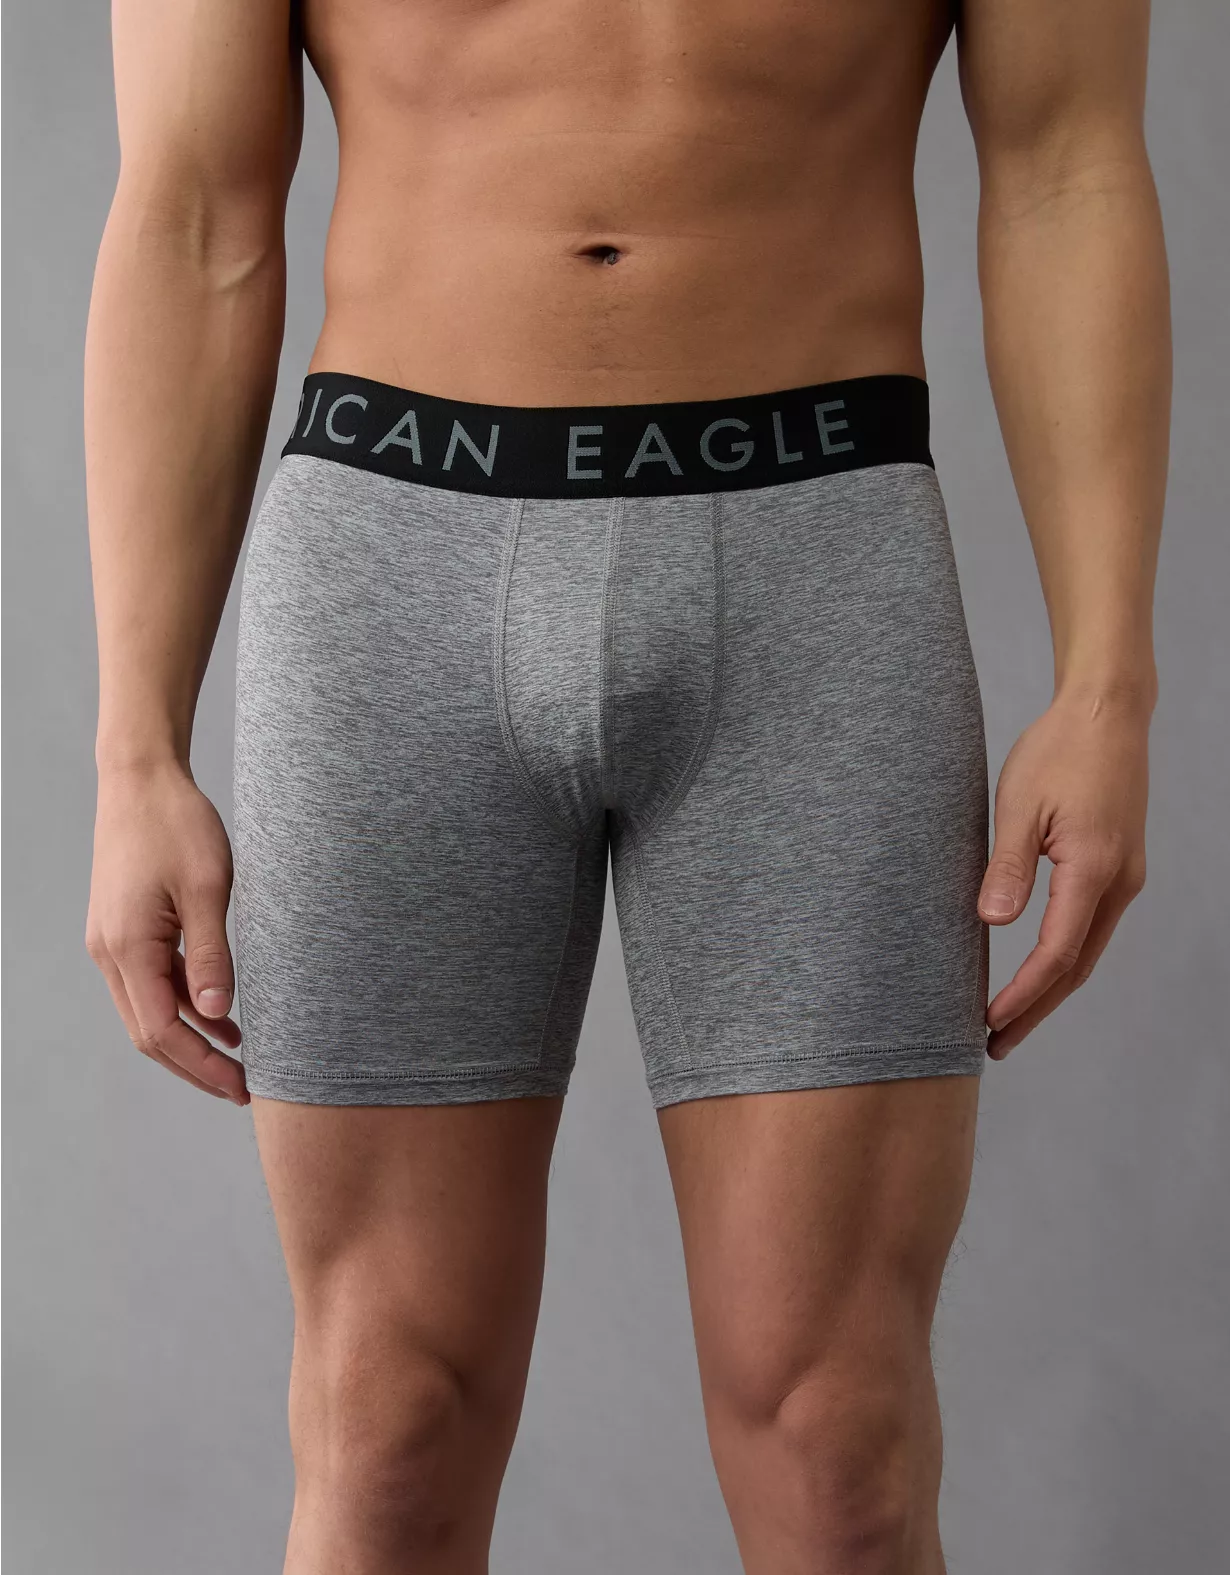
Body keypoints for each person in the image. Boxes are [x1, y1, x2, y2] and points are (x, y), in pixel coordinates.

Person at [82, 1, 1168, 1569]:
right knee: (387, 1422)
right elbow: (192, 215)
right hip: (394, 561)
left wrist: (1106, 680)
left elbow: (1066, 170)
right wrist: (136, 749)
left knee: (840, 1443)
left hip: (817, 565)